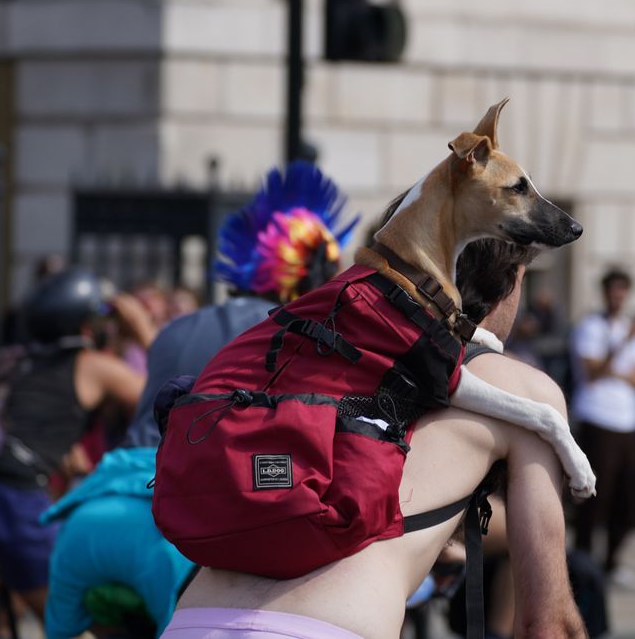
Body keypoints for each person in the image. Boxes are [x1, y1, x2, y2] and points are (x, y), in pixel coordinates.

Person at [162, 237, 587, 638]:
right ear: (510, 279)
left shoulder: (316, 352)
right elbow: (547, 626)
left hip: (191, 621)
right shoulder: (525, 393)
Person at [41, 161, 359, 639]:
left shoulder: (176, 328)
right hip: (171, 526)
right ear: (307, 272)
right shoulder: (284, 335)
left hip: (90, 517)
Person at [0, 268, 149, 621]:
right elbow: (166, 393)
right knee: (77, 618)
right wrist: (141, 329)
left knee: (24, 584)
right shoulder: (94, 366)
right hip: (13, 501)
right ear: (85, 326)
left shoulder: (20, 361)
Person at [570, 267, 635, 588]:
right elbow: (592, 371)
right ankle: (584, 560)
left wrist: (619, 370)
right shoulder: (591, 326)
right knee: (594, 497)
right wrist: (621, 348)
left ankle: (611, 561)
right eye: (613, 289)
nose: (618, 296)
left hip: (628, 422)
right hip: (597, 418)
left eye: (622, 289)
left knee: (627, 498)